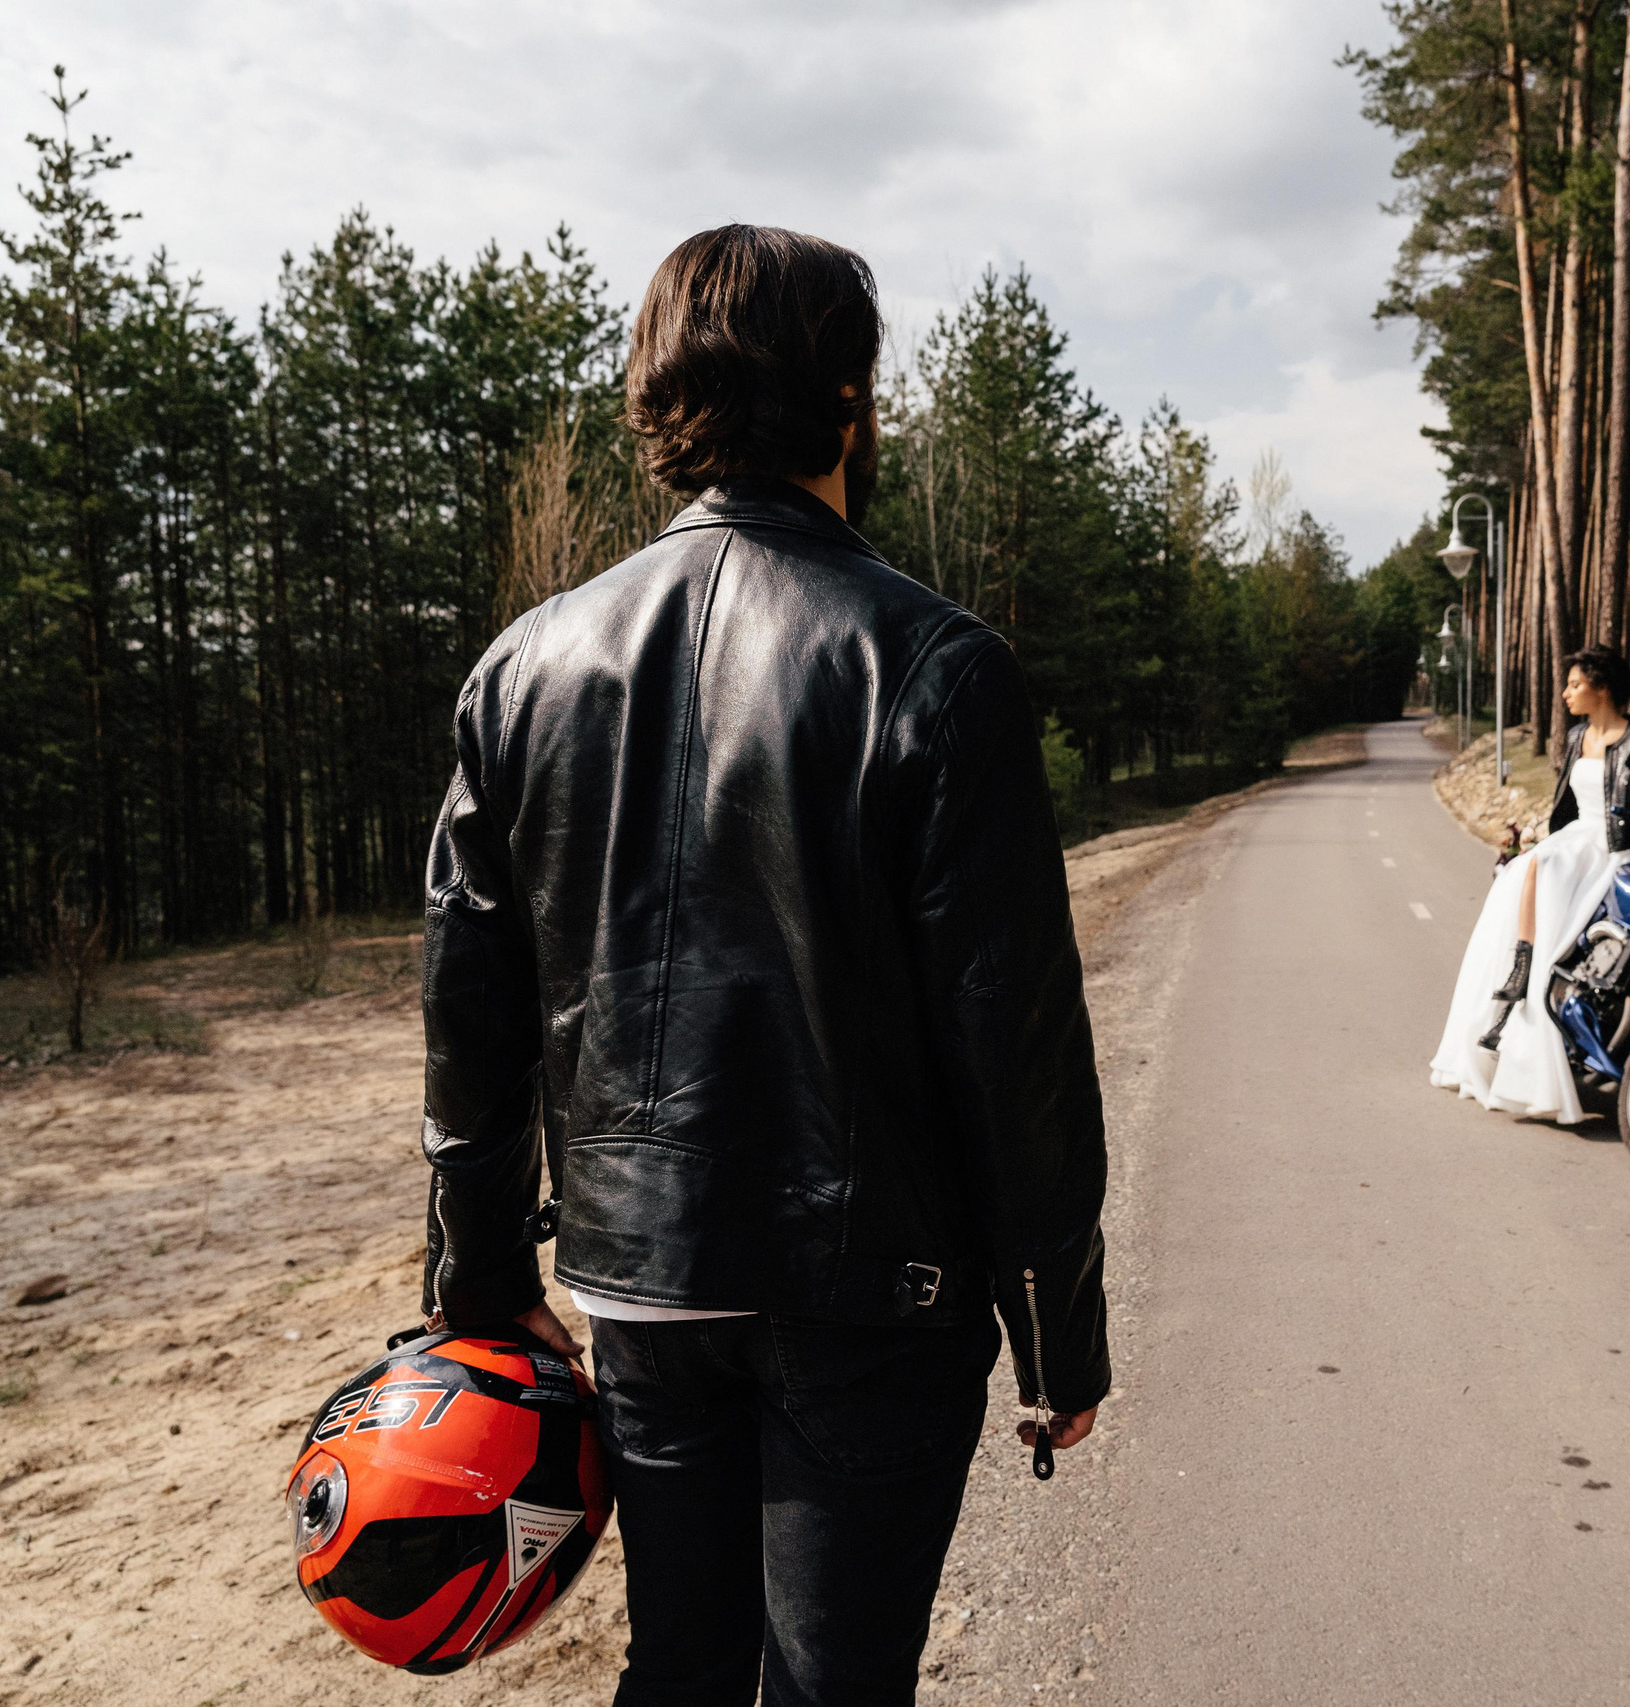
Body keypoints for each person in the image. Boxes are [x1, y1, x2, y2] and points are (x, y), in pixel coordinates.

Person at [412, 224, 1112, 1706]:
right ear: (851, 397)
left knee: (679, 1665)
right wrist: (1056, 1333)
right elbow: (1015, 1045)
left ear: (658, 400)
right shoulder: (934, 663)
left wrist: (480, 1273)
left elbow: (470, 1018)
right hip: (869, 1295)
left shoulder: (523, 668)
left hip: (640, 1283)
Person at [1428, 644, 1630, 1123]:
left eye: (1575, 684)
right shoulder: (1577, 735)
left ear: (1601, 688)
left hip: (1615, 845)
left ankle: (1533, 971)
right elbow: (1567, 803)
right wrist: (1538, 839)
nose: (1566, 693)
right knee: (1526, 868)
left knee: (1541, 869)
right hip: (1575, 839)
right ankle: (1522, 972)